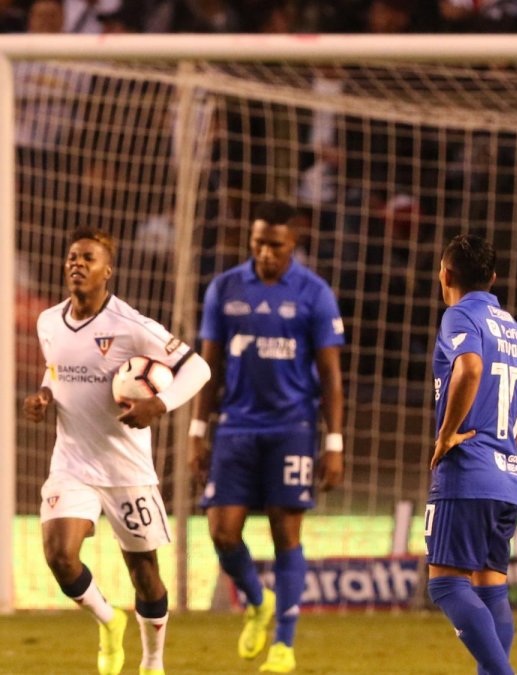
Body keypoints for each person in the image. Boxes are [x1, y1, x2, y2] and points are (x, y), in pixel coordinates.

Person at [22, 228, 211, 675]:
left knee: (144, 573)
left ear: (108, 271)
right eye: (72, 257)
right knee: (59, 555)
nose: (77, 264)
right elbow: (56, 372)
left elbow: (198, 368)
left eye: (88, 258)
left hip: (127, 469)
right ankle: (109, 621)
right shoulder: (48, 321)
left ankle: (152, 660)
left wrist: (157, 404)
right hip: (72, 463)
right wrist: (44, 397)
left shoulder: (132, 326)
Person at [189, 200, 345, 673]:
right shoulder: (226, 288)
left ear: (293, 243)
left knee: (286, 534)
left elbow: (331, 376)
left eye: (275, 244)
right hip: (236, 427)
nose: (265, 252)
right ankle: (259, 601)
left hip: (292, 429)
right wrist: (199, 428)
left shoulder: (314, 294)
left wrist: (334, 441)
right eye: (258, 242)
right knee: (221, 531)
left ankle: (284, 645)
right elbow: (209, 364)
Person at [425, 234, 517, 675]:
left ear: (444, 275)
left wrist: (447, 435)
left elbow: (469, 367)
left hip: (467, 473)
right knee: (491, 589)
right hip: (506, 477)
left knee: (447, 585)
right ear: (493, 278)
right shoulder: (515, 330)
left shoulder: (458, 315)